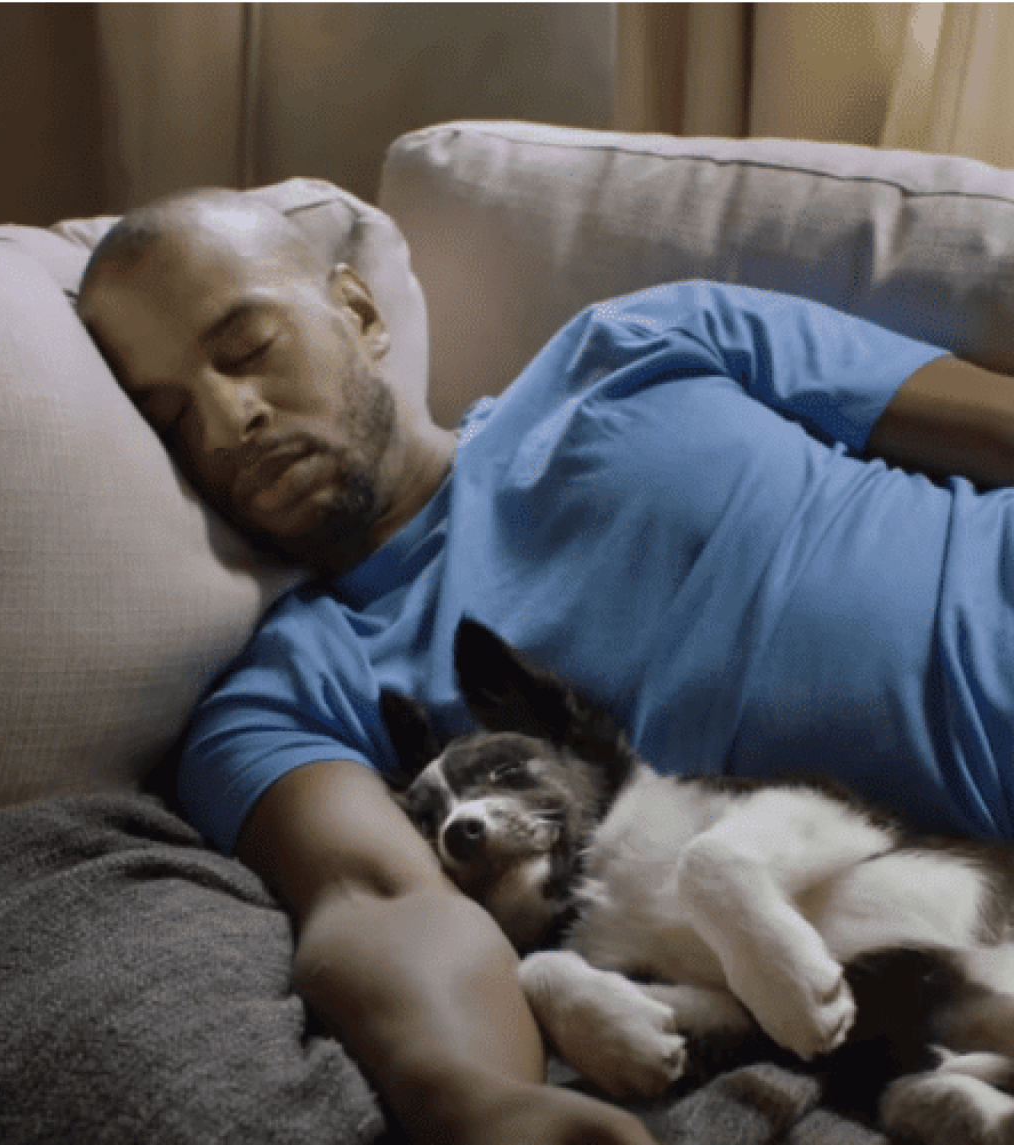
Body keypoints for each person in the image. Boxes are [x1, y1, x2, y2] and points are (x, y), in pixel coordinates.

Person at [77, 188, 1014, 1145]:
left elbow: (998, 424)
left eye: (247, 349)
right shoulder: (284, 694)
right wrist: (482, 1099)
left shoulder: (640, 343)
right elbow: (382, 904)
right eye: (171, 414)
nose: (231, 418)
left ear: (358, 313)